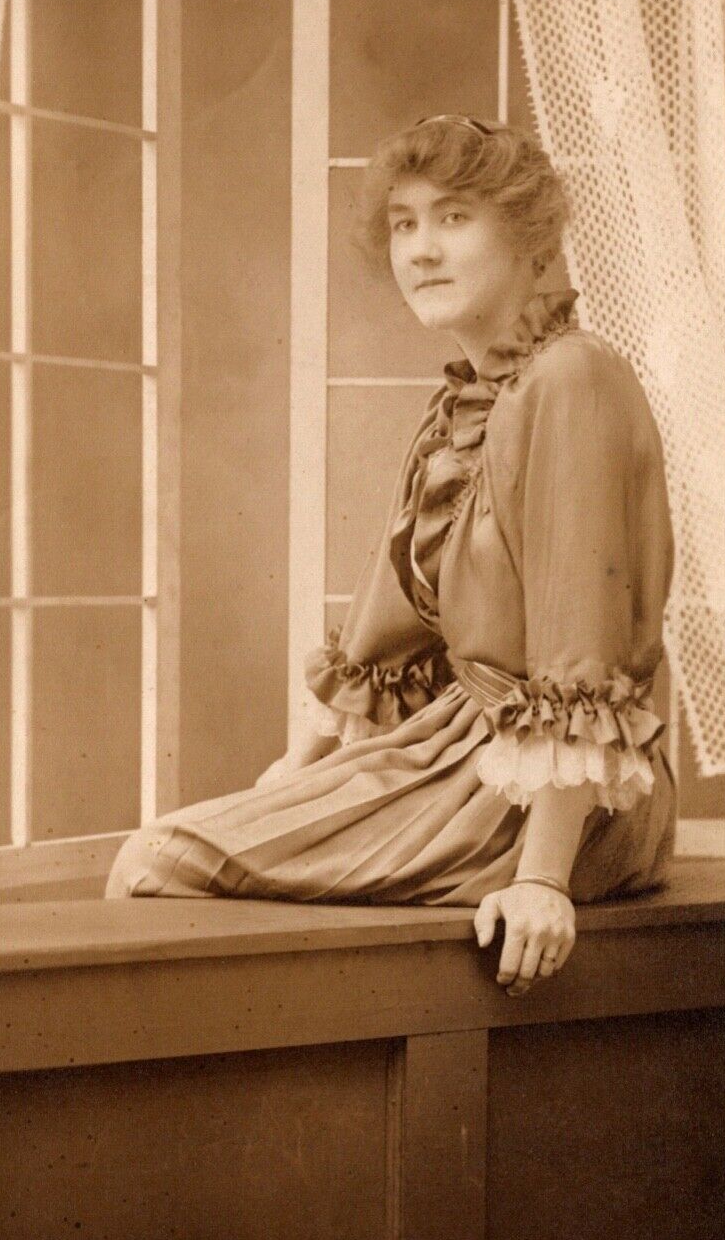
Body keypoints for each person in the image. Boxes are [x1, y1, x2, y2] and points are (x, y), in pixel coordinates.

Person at [107, 115, 676, 998]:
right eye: (404, 223)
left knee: (159, 861)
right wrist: (299, 778)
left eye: (454, 218)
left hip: (557, 805)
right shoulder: (464, 405)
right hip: (470, 760)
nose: (420, 249)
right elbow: (384, 642)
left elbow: (582, 659)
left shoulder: (572, 380)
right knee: (170, 853)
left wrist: (540, 880)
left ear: (528, 238)